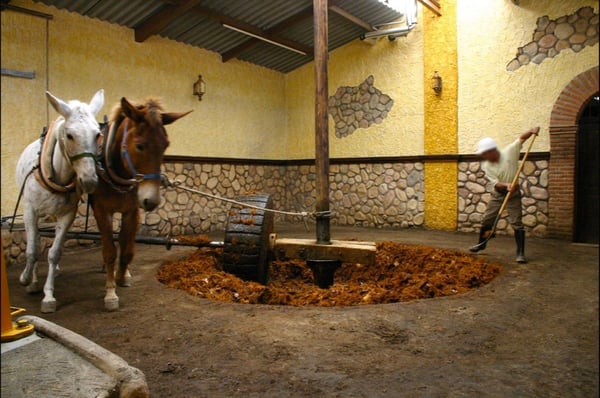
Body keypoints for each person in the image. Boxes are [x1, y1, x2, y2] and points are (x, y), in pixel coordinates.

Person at [469, 127, 540, 263]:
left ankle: (520, 253)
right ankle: (482, 244)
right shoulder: (487, 165)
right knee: (487, 220)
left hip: (513, 194)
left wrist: (531, 131)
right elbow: (496, 183)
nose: (483, 156)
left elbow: (521, 139)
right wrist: (507, 185)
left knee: (516, 223)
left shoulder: (509, 152)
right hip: (498, 194)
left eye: (484, 153)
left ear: (491, 151)